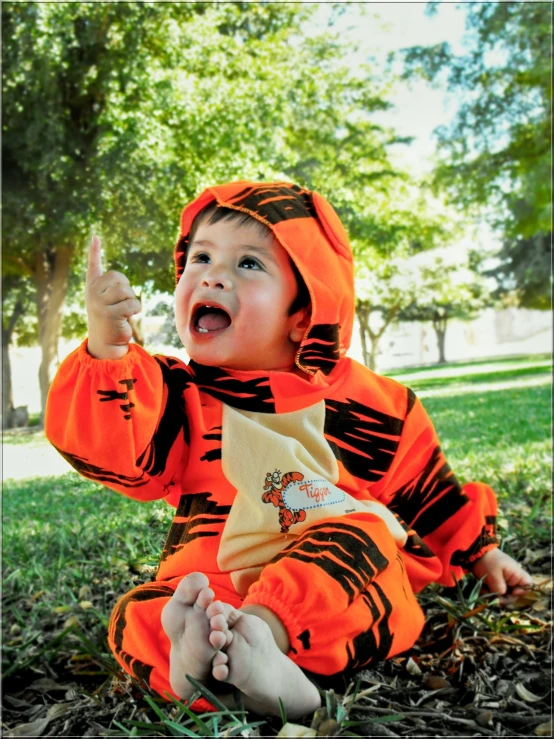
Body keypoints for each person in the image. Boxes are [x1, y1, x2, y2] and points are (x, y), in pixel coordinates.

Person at [45, 181, 531, 718]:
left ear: (304, 312)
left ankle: (265, 644)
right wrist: (108, 352)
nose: (212, 274)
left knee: (363, 538)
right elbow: (118, 454)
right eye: (200, 256)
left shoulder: (369, 406)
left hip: (333, 571)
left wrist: (481, 552)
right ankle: (201, 664)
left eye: (249, 264)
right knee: (141, 611)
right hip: (219, 583)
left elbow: (425, 485)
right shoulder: (175, 396)